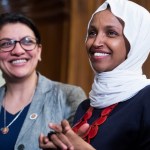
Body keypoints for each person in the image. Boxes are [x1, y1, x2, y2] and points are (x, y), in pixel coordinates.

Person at [39, 0, 150, 149]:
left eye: (111, 33)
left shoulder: (146, 100)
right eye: (92, 33)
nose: (96, 42)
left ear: (136, 41)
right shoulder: (86, 107)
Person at [0, 12, 87, 150]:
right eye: (6, 43)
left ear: (39, 51)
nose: (17, 50)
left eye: (27, 41)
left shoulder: (69, 96)